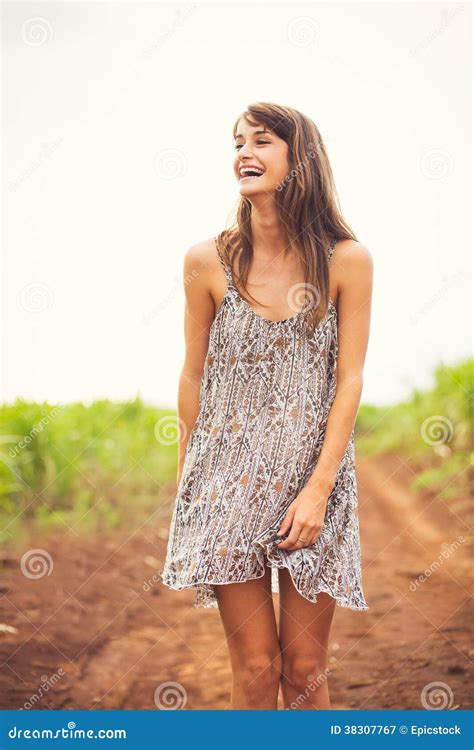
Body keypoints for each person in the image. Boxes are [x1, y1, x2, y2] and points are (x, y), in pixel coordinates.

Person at [161, 102, 373, 710]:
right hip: (224, 483)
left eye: (262, 141)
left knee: (304, 668)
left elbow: (350, 378)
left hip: (314, 482)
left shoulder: (346, 259)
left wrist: (319, 489)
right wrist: (188, 482)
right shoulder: (208, 260)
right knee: (256, 669)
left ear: (299, 156)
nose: (244, 153)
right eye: (237, 143)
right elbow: (193, 374)